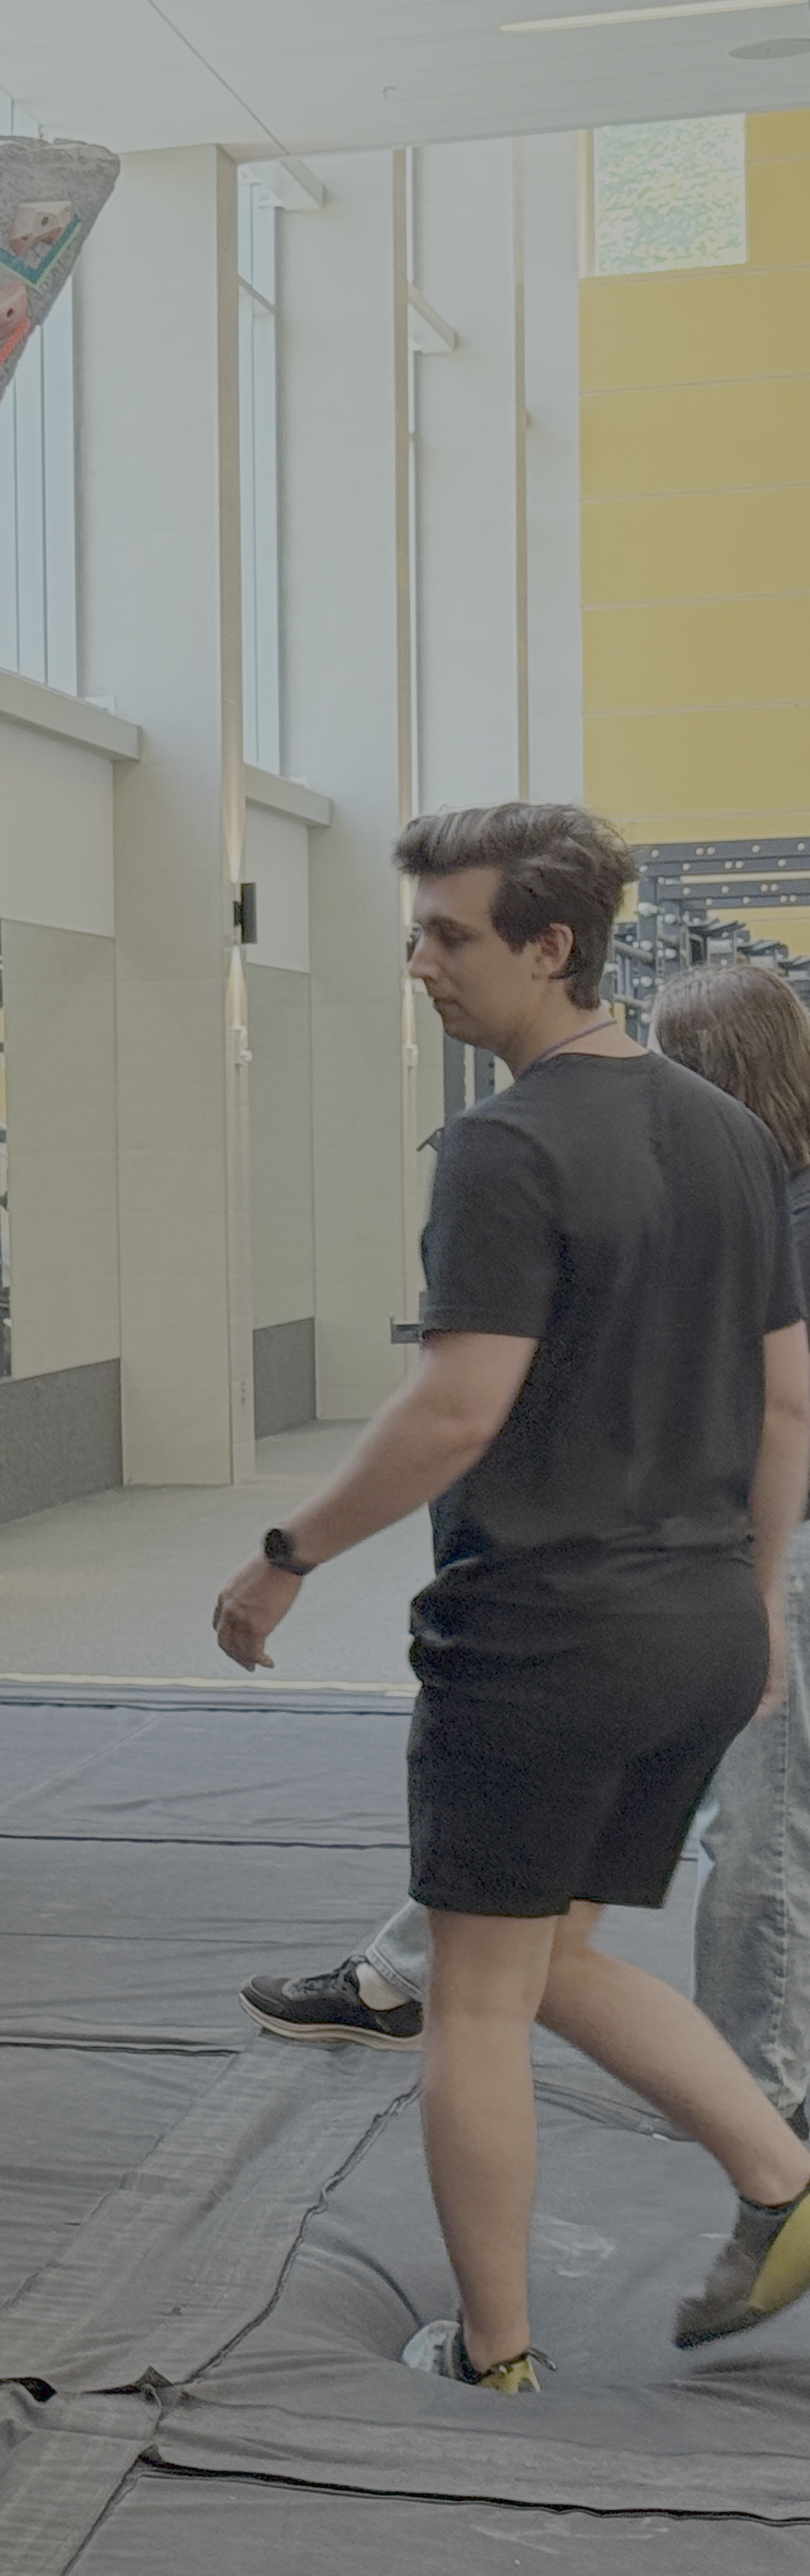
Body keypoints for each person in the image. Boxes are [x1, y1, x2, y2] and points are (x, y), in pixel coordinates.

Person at [208, 807, 810, 2389]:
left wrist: (284, 1554)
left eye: (447, 934)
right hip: (695, 1629)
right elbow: (789, 1400)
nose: (418, 961)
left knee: (472, 2001)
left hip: (548, 1638)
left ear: (552, 945)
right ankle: (783, 2178)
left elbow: (455, 1409)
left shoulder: (504, 1144)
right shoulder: (733, 1134)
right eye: (415, 930)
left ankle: (492, 2349)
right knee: (545, 1959)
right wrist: (754, 1603)